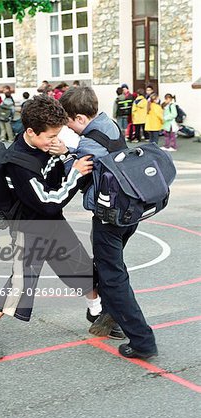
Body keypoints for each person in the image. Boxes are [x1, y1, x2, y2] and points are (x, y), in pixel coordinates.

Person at [0, 94, 95, 360]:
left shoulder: (43, 146)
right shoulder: (19, 165)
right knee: (21, 283)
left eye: (57, 134)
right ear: (30, 131)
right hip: (30, 227)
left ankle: (95, 310)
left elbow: (55, 179)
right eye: (50, 136)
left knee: (81, 267)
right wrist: (75, 173)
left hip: (51, 223)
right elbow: (49, 202)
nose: (55, 140)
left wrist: (64, 156)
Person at [58, 87, 158, 359]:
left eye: (68, 121)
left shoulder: (88, 143)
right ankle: (109, 318)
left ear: (79, 117)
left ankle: (142, 340)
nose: (68, 126)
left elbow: (76, 172)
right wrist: (73, 147)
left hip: (110, 215)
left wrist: (66, 155)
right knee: (107, 265)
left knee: (113, 276)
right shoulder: (108, 124)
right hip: (130, 209)